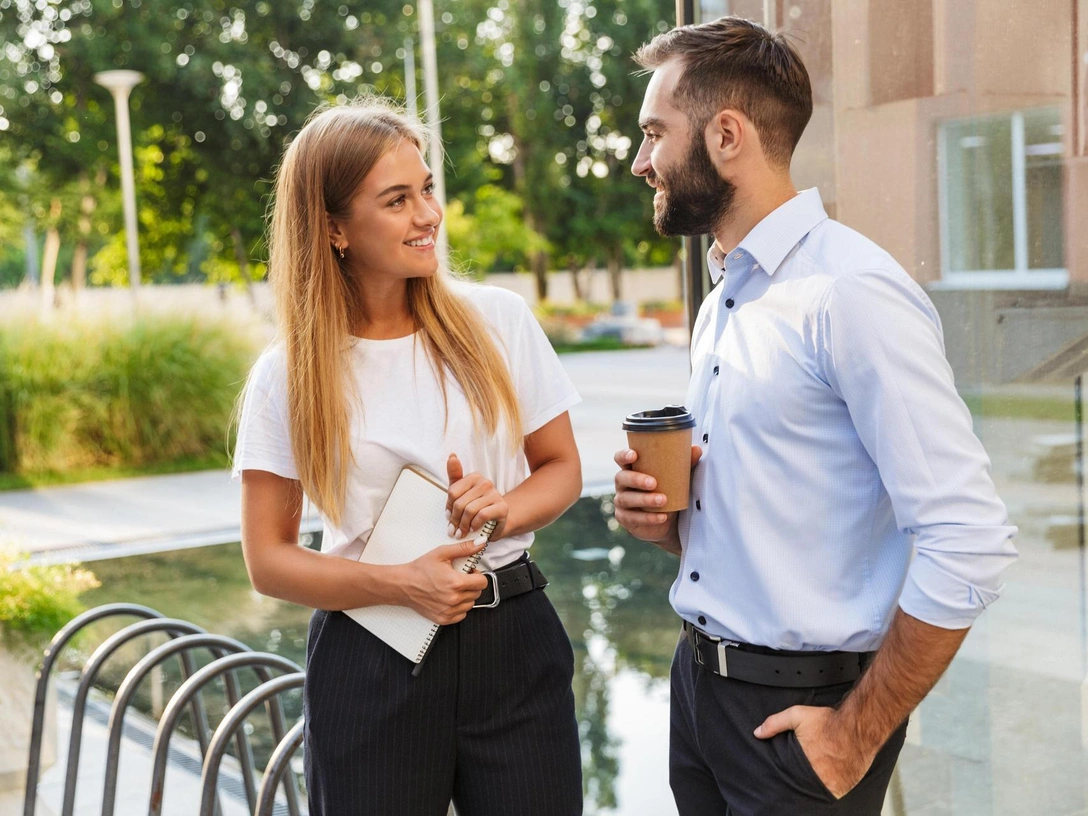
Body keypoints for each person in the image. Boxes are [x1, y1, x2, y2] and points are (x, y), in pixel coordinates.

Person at [612, 17, 1017, 816]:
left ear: (726, 136)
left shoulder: (851, 292)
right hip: (701, 692)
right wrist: (672, 526)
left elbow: (968, 540)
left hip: (801, 720)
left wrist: (853, 736)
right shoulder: (726, 296)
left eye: (655, 133)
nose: (640, 161)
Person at [233, 98, 584, 815]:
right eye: (398, 199)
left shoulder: (499, 322)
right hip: (371, 656)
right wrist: (401, 584)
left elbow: (563, 469)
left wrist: (504, 505)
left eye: (427, 188)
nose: (429, 214)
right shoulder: (290, 374)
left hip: (514, 645)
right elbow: (267, 560)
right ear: (333, 227)